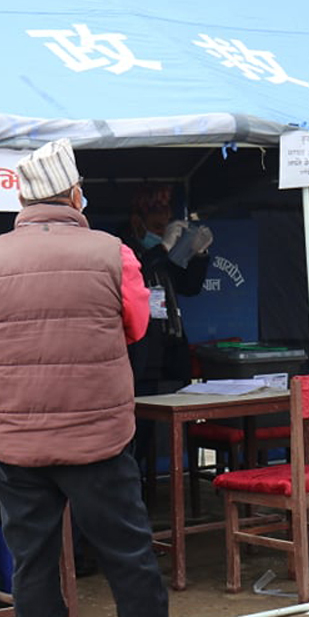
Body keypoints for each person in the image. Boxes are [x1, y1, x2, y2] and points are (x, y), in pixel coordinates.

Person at [0, 139, 206, 617]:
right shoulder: (113, 252)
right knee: (128, 555)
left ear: (22, 199)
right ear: (74, 194)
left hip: (15, 441)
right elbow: (136, 326)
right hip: (98, 438)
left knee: (33, 563)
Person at [121, 185, 213, 499]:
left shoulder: (162, 254)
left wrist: (198, 253)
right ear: (138, 221)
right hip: (142, 357)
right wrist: (164, 245)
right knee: (138, 434)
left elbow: (189, 286)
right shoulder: (126, 250)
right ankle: (133, 500)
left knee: (177, 427)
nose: (164, 230)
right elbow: (143, 269)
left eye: (167, 223)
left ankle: (168, 497)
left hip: (171, 349)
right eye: (157, 225)